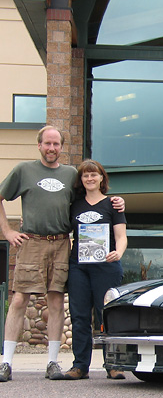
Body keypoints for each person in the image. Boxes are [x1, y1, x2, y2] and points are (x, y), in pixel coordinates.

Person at [0, 126, 123, 382]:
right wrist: (8, 232)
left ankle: (53, 362)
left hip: (61, 245)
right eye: (48, 143)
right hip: (32, 242)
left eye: (56, 144)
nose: (52, 148)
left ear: (62, 147)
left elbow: (95, 198)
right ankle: (6, 363)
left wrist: (118, 201)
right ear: (39, 145)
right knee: (20, 299)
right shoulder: (24, 170)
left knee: (56, 302)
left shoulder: (70, 175)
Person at [63, 160, 127, 380]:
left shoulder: (113, 204)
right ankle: (80, 366)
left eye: (94, 175)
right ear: (81, 180)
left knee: (106, 316)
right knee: (80, 317)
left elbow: (121, 236)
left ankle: (113, 364)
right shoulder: (75, 205)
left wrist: (118, 252)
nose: (89, 178)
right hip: (78, 267)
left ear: (102, 178)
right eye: (85, 175)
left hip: (106, 267)